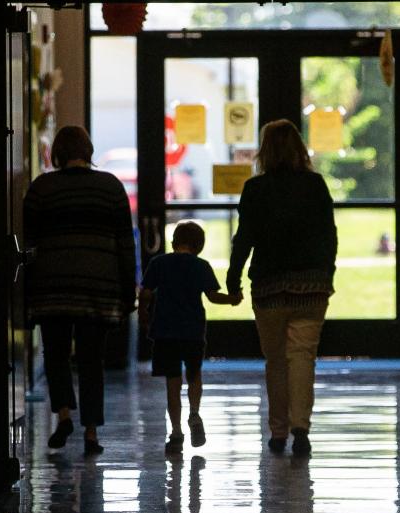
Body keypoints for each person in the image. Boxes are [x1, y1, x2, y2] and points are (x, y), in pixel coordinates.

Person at [227, 119, 338, 456]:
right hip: (312, 286)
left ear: (265, 151)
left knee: (276, 361)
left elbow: (244, 237)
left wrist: (234, 278)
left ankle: (278, 433)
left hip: (269, 287)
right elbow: (329, 235)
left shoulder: (255, 189)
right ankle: (301, 427)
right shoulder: (316, 185)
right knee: (303, 356)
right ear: (299, 149)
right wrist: (326, 273)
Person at [24, 126, 136, 455]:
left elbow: (28, 246)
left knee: (56, 355)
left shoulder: (41, 188)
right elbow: (125, 245)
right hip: (97, 288)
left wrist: (26, 294)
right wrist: (128, 291)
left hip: (53, 287)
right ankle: (90, 434)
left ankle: (63, 416)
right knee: (91, 361)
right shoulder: (111, 188)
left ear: (57, 152)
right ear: (88, 151)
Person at [140, 221, 241, 455]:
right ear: (200, 245)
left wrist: (144, 313)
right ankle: (194, 413)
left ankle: (175, 433)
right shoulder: (201, 266)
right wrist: (233, 299)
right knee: (194, 375)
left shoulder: (159, 263)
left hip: (165, 331)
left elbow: (145, 293)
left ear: (174, 242)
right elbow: (213, 297)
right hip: (193, 331)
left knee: (172, 382)